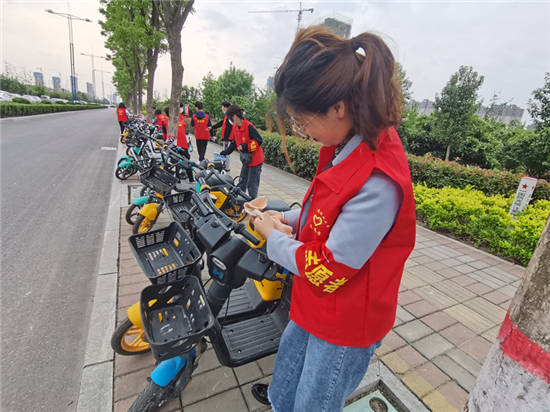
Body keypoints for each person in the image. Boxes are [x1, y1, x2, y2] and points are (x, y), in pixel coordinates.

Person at [249, 27, 417, 412]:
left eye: (301, 121)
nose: (301, 132)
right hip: (316, 302)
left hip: (345, 322)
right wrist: (287, 218)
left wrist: (273, 239)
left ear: (338, 107)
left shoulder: (379, 179)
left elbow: (331, 265)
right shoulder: (347, 143)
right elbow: (327, 212)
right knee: (286, 387)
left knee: (314, 404)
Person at [220, 104, 264, 199]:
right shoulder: (236, 128)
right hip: (246, 159)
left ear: (235, 117)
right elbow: (234, 143)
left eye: (230, 118)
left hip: (255, 160)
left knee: (252, 185)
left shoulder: (249, 127)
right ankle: (239, 200)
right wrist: (225, 152)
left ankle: (252, 203)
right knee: (242, 181)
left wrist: (245, 147)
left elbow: (259, 141)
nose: (229, 120)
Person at [162, 107, 194, 182]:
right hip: (183, 145)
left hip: (172, 145)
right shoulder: (181, 122)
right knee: (187, 161)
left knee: (172, 162)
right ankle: (191, 179)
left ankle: (175, 180)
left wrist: (165, 143)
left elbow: (164, 134)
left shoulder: (165, 121)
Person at [211, 101, 233, 171]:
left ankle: (227, 168)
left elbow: (228, 129)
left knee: (227, 153)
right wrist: (212, 127)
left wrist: (226, 139)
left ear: (226, 108)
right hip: (227, 138)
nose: (222, 108)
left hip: (228, 138)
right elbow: (221, 123)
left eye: (222, 107)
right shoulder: (227, 116)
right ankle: (225, 166)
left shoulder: (230, 117)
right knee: (225, 152)